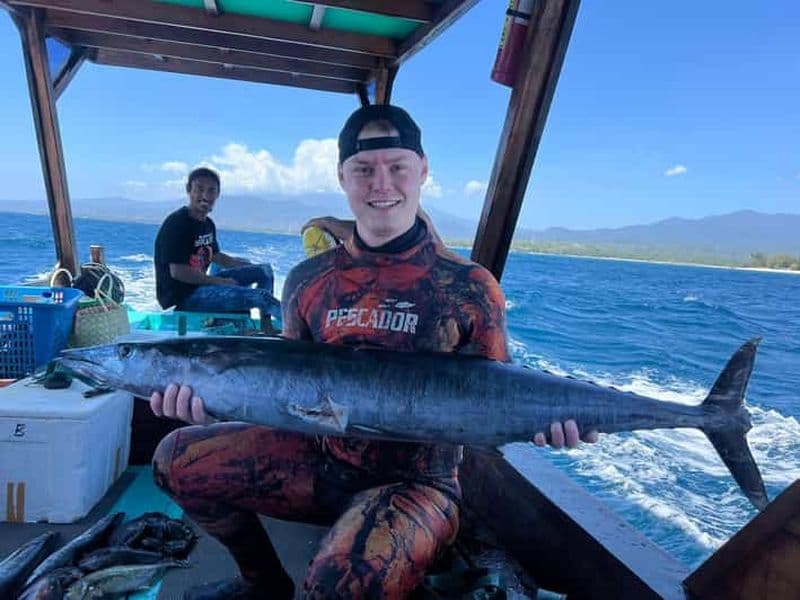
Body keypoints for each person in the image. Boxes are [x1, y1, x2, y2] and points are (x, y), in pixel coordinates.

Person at [149, 105, 597, 600]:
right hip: (318, 458)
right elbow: (287, 387)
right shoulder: (308, 281)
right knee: (176, 458)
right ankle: (262, 584)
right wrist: (218, 402)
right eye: (364, 170)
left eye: (397, 167)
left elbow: (499, 392)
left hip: (418, 484)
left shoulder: (469, 288)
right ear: (342, 177)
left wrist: (553, 423)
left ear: (422, 171)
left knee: (340, 585)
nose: (381, 184)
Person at [153, 167, 280, 325]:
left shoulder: (207, 224)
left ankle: (265, 324)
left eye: (211, 191)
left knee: (265, 271)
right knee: (260, 297)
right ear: (189, 190)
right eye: (199, 189)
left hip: (202, 284)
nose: (205, 196)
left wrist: (249, 268)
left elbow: (216, 256)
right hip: (186, 296)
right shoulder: (177, 224)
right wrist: (219, 282)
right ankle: (297, 329)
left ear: (217, 195)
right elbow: (178, 272)